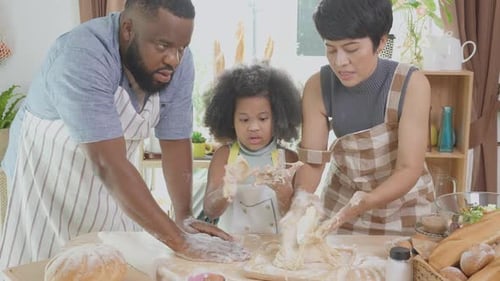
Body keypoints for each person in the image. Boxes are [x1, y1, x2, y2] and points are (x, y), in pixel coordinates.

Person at [0, 0, 249, 271]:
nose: (174, 59)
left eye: (182, 48)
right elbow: (108, 165)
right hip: (47, 186)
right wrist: (183, 244)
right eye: (163, 46)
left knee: (117, 266)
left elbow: (175, 141)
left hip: (117, 188)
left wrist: (184, 217)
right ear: (128, 29)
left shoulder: (178, 61)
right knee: (48, 269)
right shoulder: (81, 55)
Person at [295, 0, 434, 236]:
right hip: (341, 206)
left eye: (351, 49)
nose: (340, 62)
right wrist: (297, 205)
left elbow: (409, 168)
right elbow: (312, 162)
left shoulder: (411, 84)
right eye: (330, 49)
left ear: (381, 42)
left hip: (405, 209)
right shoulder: (318, 86)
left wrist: (368, 201)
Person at [202, 63, 302, 234]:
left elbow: (295, 221)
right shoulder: (224, 156)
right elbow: (210, 211)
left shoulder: (289, 158)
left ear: (278, 118)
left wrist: (285, 195)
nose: (253, 127)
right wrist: (227, 189)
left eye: (263, 119)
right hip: (232, 248)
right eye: (244, 119)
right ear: (230, 120)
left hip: (275, 251)